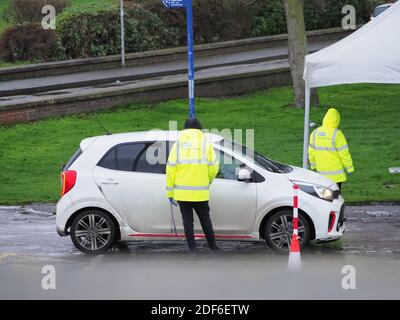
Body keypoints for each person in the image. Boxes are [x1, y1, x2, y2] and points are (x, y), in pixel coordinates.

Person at [166, 118, 220, 251]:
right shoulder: (205, 144)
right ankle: (213, 246)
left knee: (187, 222)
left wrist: (170, 193)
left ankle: (192, 249)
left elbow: (170, 170)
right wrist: (207, 181)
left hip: (182, 193)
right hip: (201, 193)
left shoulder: (177, 145)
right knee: (205, 220)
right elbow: (214, 167)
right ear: (199, 129)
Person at [308, 108, 354, 190]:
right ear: (337, 120)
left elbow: (311, 152)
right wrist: (349, 168)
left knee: (323, 197)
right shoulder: (337, 134)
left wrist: (313, 165)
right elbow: (344, 153)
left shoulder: (315, 133)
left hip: (321, 173)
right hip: (336, 176)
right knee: (335, 198)